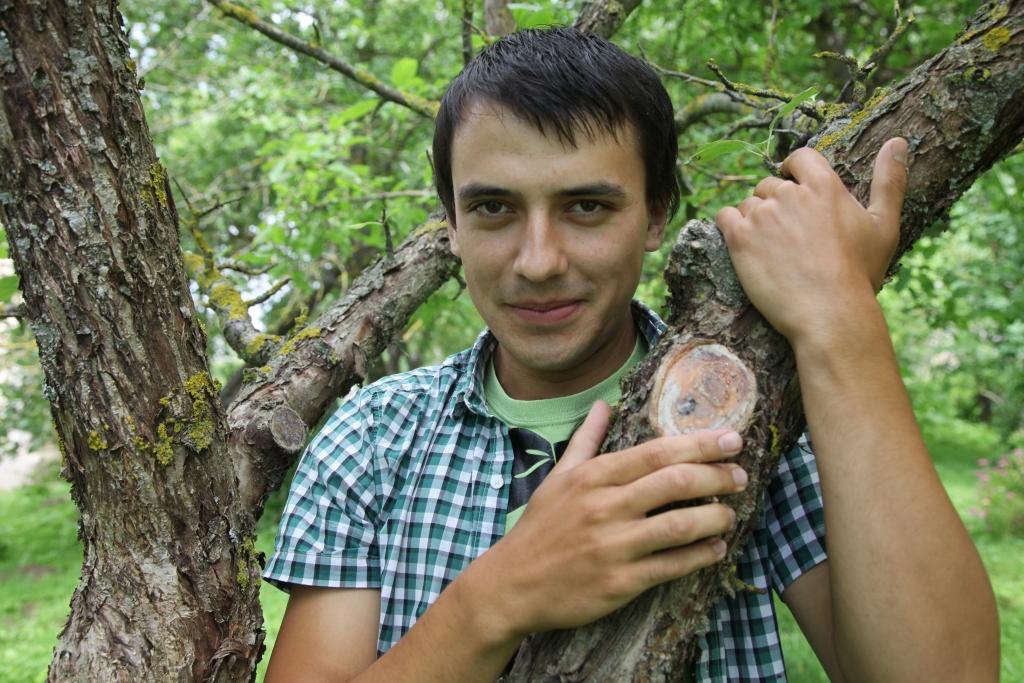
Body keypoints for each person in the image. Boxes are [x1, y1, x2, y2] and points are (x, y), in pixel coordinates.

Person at [262, 27, 999, 682]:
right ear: (451, 224)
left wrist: (841, 316)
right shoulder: (373, 438)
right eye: (494, 208)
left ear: (655, 214)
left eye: (587, 206)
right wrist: (499, 596)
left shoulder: (758, 407)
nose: (540, 260)